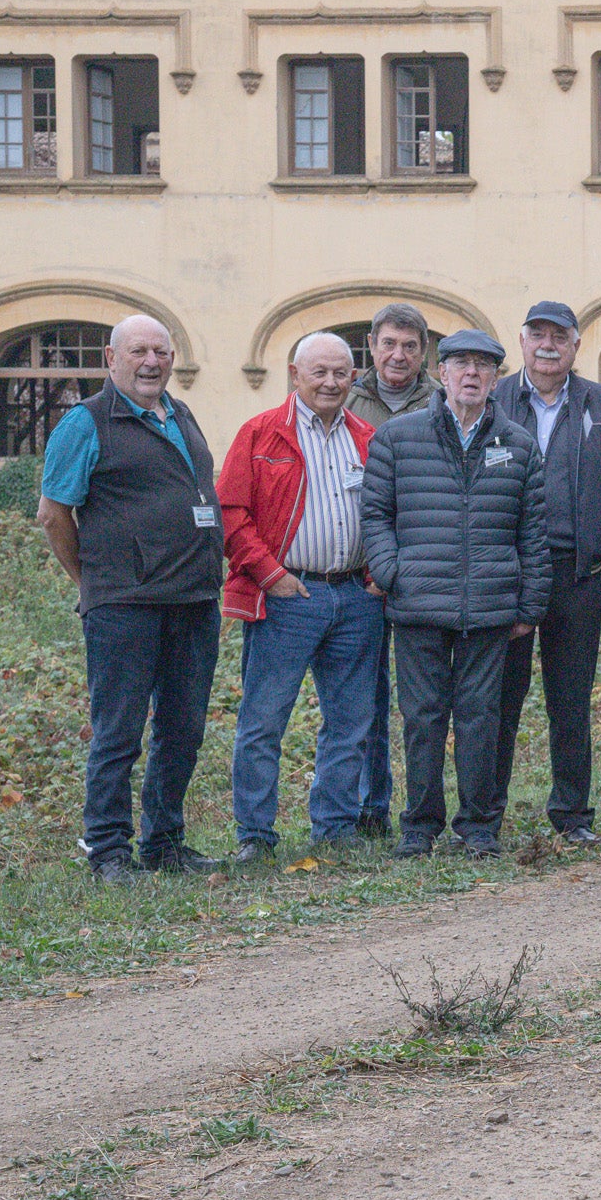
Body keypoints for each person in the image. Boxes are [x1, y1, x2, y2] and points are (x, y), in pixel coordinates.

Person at [36, 315, 224, 883]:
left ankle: (164, 843)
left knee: (183, 727)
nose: (151, 361)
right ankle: (108, 850)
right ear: (111, 360)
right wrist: (93, 581)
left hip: (193, 599)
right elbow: (53, 515)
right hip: (124, 605)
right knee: (118, 731)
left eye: (161, 351)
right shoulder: (85, 421)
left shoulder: (181, 413)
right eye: (138, 351)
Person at [361, 329, 548, 859]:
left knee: (481, 718)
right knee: (421, 718)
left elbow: (531, 533)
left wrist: (530, 604)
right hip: (419, 604)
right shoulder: (398, 437)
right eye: (461, 364)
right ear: (441, 374)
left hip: (490, 606)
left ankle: (478, 825)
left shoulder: (517, 444)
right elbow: (375, 514)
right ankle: (419, 825)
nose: (471, 374)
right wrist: (392, 570)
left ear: (495, 378)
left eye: (483, 367)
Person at [218, 332, 382, 862]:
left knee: (351, 722)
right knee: (264, 720)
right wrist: (270, 574)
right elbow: (231, 514)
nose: (331, 382)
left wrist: (381, 569)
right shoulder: (261, 434)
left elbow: (389, 510)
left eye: (341, 373)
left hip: (357, 596)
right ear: (295, 373)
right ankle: (256, 837)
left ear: (354, 377)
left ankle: (334, 829)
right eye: (320, 372)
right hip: (288, 595)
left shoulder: (368, 438)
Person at [488, 301, 601, 846]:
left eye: (560, 337)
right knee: (499, 698)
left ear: (576, 345)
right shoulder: (496, 398)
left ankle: (572, 815)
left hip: (576, 572)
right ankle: (486, 814)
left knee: (571, 700)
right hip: (508, 571)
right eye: (537, 335)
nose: (548, 345)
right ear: (521, 341)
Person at [346, 301, 436, 841]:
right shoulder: (344, 398)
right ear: (373, 348)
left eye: (409, 345)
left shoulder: (442, 400)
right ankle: (370, 805)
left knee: (423, 700)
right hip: (362, 573)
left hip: (427, 570)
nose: (397, 355)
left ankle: (423, 806)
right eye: (388, 344)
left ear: (424, 353)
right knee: (365, 696)